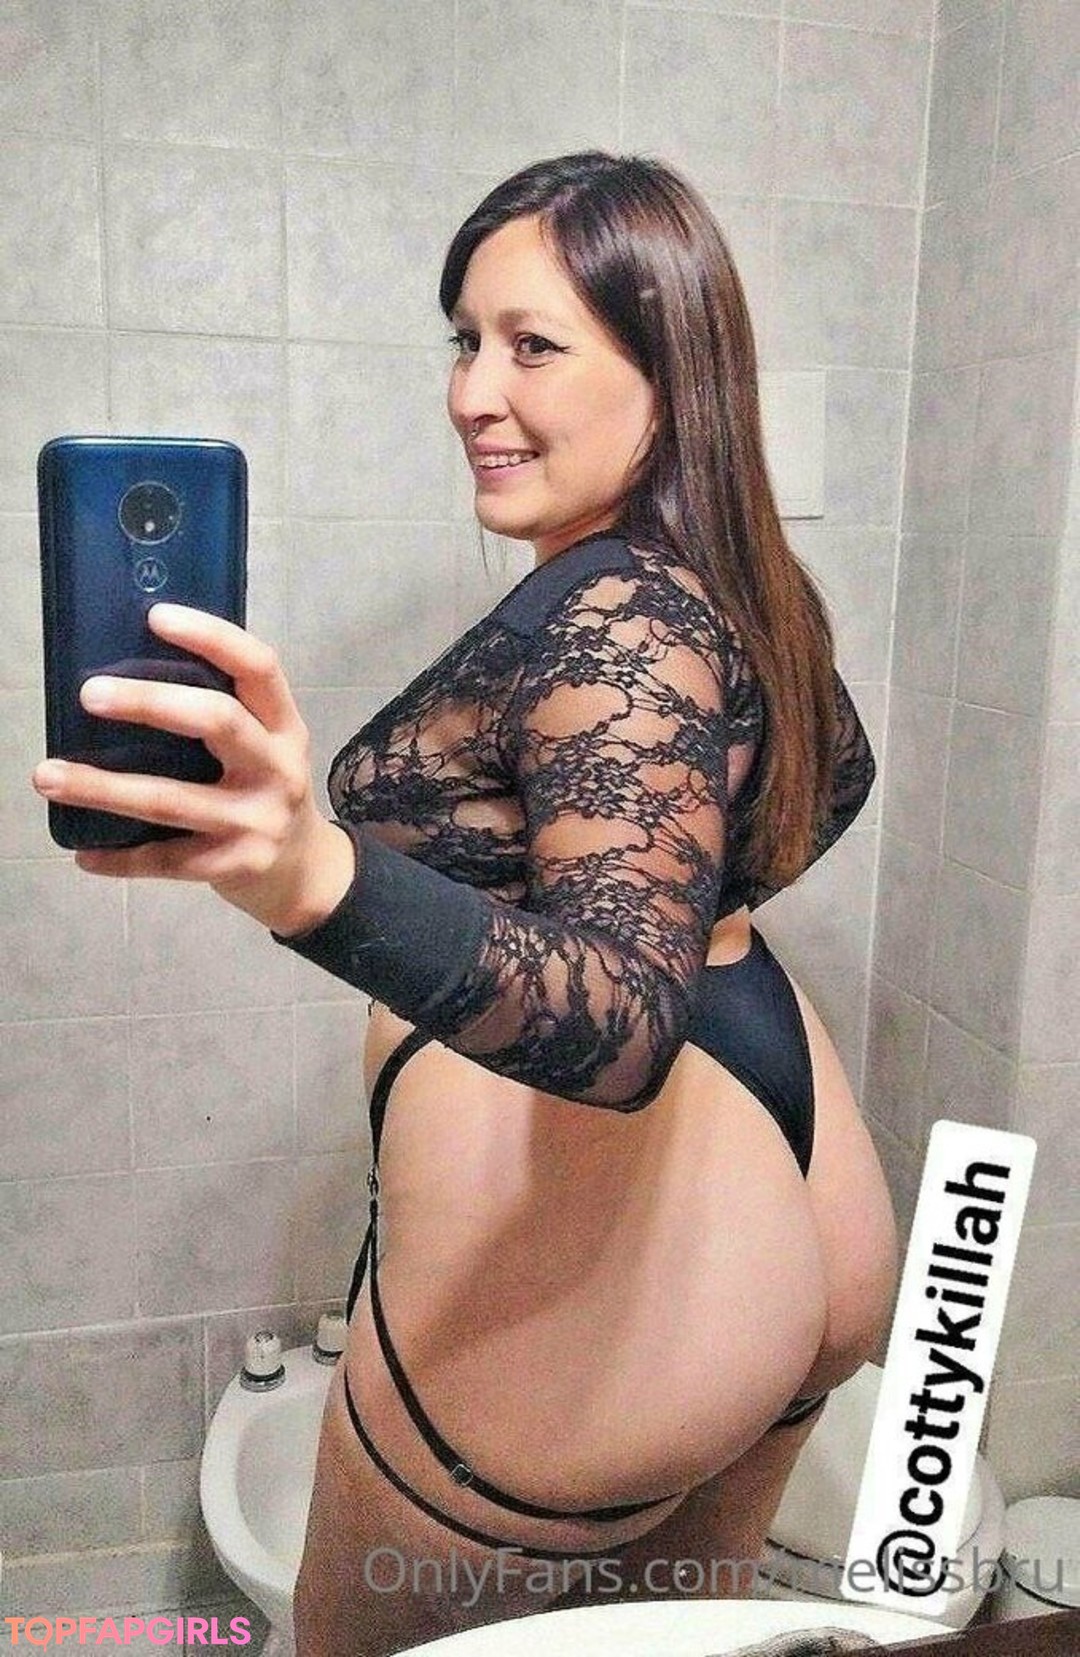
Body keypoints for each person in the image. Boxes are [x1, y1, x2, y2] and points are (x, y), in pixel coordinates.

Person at [34, 151, 897, 1657]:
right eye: (466, 339)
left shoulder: (616, 614)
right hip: (788, 1185)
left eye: (533, 346)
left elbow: (621, 1030)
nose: (472, 394)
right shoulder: (732, 582)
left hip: (619, 1265)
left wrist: (313, 874)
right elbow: (837, 779)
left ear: (670, 373)